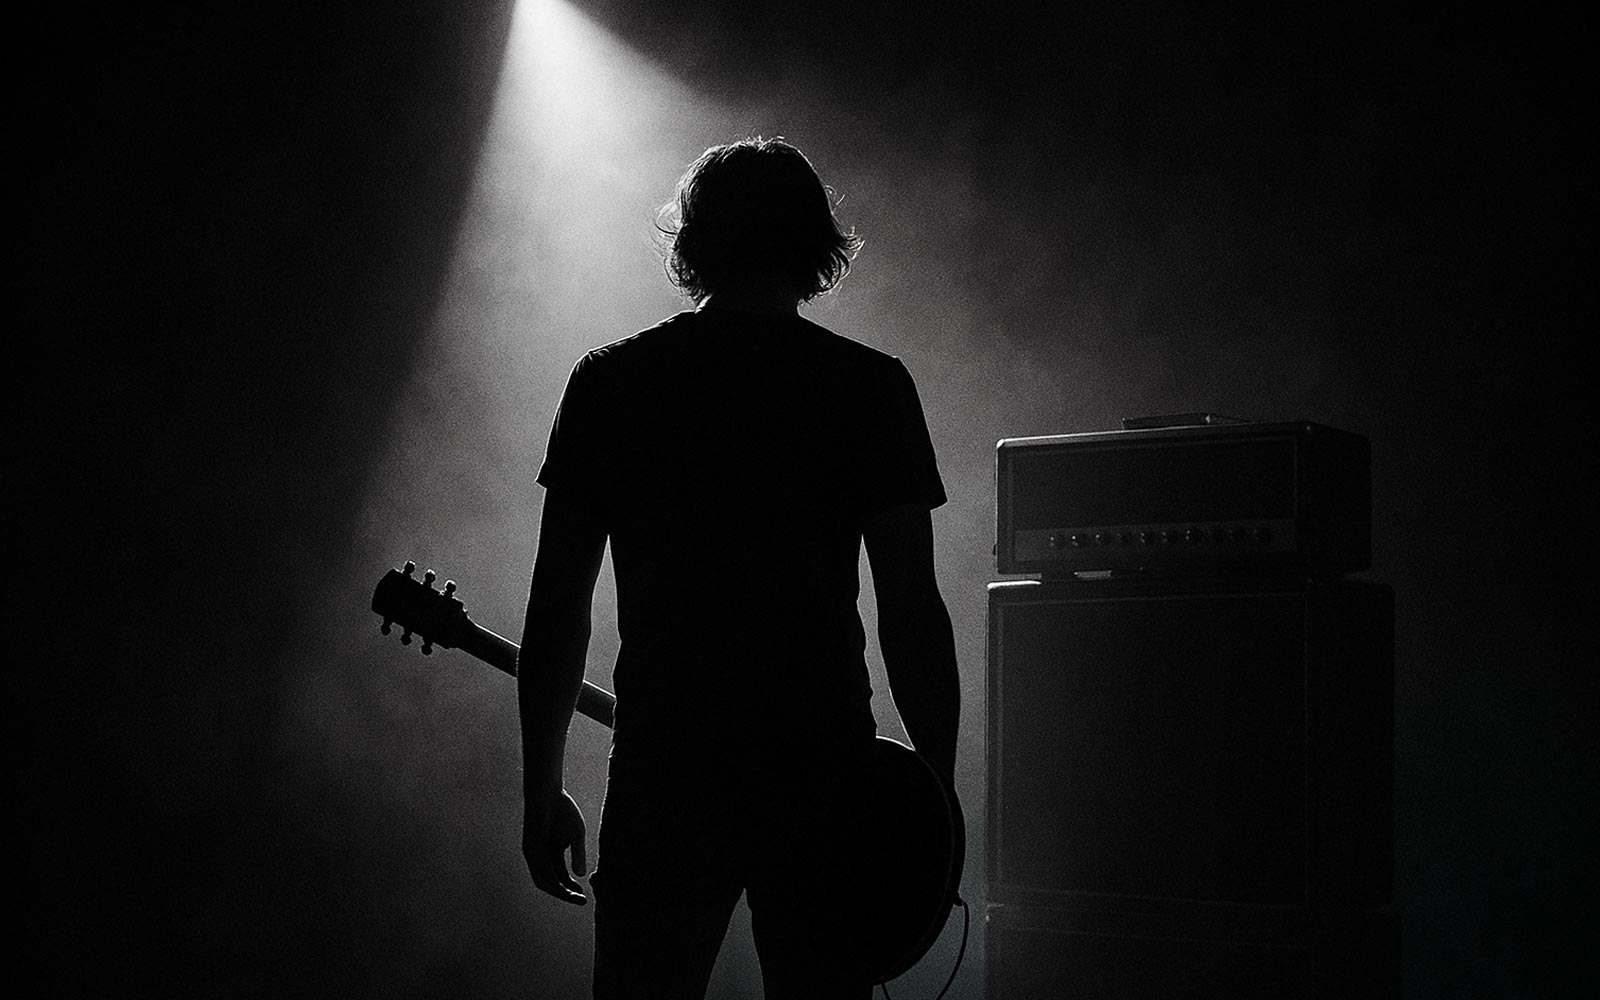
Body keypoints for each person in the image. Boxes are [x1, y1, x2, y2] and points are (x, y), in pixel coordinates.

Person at [517, 137, 960, 999]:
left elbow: (556, 609)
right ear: (815, 245)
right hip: (825, 776)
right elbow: (913, 613)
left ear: (693, 244)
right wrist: (933, 805)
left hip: (665, 775)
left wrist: (541, 791)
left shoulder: (614, 382)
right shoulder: (870, 388)